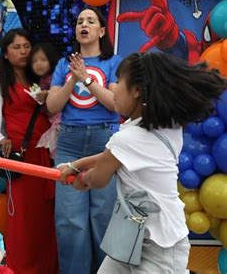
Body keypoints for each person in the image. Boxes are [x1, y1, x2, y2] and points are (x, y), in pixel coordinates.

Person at [58, 51, 226, 273]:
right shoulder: (166, 126)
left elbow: (97, 179)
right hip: (131, 237)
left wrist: (79, 179)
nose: (113, 88)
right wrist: (75, 165)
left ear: (136, 91)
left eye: (119, 82)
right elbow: (112, 156)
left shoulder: (128, 139)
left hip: (161, 248)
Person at [0, 29, 58, 274]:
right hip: (21, 158)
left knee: (47, 219)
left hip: (48, 156)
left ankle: (48, 268)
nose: (23, 51)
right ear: (5, 53)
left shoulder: (42, 77)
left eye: (27, 46)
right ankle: (21, 269)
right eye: (16, 47)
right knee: (23, 219)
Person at [46, 6, 122, 274]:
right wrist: (72, 79)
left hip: (105, 140)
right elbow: (53, 106)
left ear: (101, 31)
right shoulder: (63, 65)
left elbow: (115, 104)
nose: (84, 25)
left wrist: (87, 79)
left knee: (103, 215)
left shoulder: (113, 62)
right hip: (70, 141)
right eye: (79, 21)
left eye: (90, 21)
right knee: (70, 219)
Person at [28, 43, 61, 159]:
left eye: (43, 59)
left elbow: (63, 92)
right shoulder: (40, 80)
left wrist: (47, 94)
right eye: (34, 61)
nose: (38, 64)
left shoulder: (57, 76)